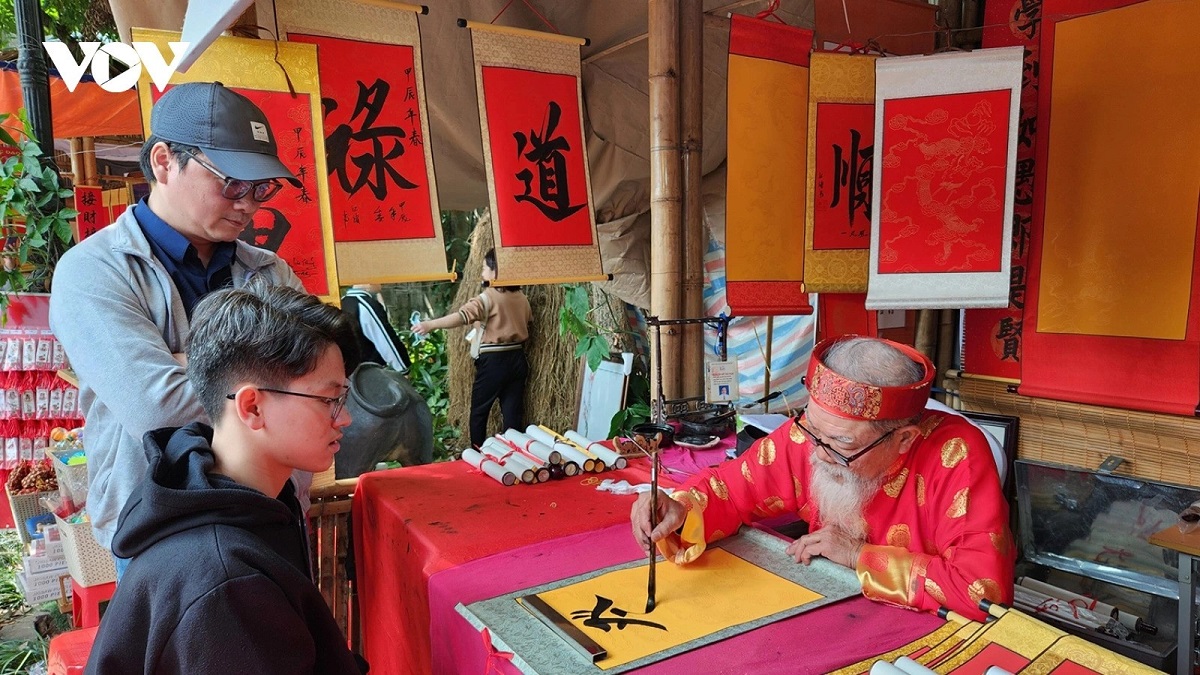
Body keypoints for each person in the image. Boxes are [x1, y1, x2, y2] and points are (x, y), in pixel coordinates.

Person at [49, 82, 308, 575]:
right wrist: (273, 377)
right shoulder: (93, 270)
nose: (249, 204)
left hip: (269, 510)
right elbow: (156, 407)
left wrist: (185, 364)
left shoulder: (271, 272)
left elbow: (318, 380)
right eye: (233, 182)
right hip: (159, 530)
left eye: (261, 188)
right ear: (165, 161)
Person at [631, 335, 1015, 621]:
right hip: (831, 610)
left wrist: (857, 555)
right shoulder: (812, 438)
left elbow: (982, 592)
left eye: (842, 443)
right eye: (813, 430)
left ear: (903, 439)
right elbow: (730, 489)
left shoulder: (956, 456)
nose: (817, 454)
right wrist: (680, 509)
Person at [84, 283, 365, 674]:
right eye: (329, 400)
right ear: (252, 407)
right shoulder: (226, 582)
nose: (344, 418)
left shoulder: (252, 501)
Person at [412, 248, 532, 447]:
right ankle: (515, 453)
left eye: (485, 268)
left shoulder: (487, 298)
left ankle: (477, 452)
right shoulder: (521, 297)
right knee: (512, 413)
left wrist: (430, 325)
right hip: (518, 359)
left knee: (479, 411)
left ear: (496, 271)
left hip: (494, 362)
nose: (482, 273)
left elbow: (461, 317)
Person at [341, 283, 411, 373]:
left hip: (347, 372)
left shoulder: (342, 302)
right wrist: (403, 368)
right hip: (369, 372)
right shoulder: (366, 305)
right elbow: (385, 340)